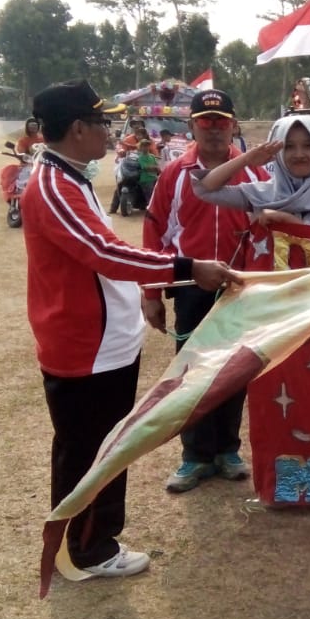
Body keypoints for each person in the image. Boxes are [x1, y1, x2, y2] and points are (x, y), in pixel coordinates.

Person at [22, 80, 235, 581]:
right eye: (102, 123)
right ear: (78, 129)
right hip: (85, 347)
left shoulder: (68, 178)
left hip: (105, 344)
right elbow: (106, 255)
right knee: (90, 449)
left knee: (100, 444)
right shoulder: (52, 186)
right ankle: (89, 549)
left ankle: (85, 541)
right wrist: (186, 268)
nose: (110, 131)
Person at [143, 89, 267, 493]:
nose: (213, 129)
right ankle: (194, 456)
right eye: (205, 121)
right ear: (192, 125)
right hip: (191, 287)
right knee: (192, 372)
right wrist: (151, 292)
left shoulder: (254, 174)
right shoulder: (174, 174)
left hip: (240, 288)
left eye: (221, 121)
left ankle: (227, 451)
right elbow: (154, 231)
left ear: (233, 125)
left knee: (234, 370)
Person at [193, 115, 310, 229]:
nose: (299, 154)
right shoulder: (262, 194)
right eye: (289, 147)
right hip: (269, 279)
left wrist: (285, 220)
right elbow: (204, 189)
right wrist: (246, 159)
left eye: (308, 146)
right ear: (278, 152)